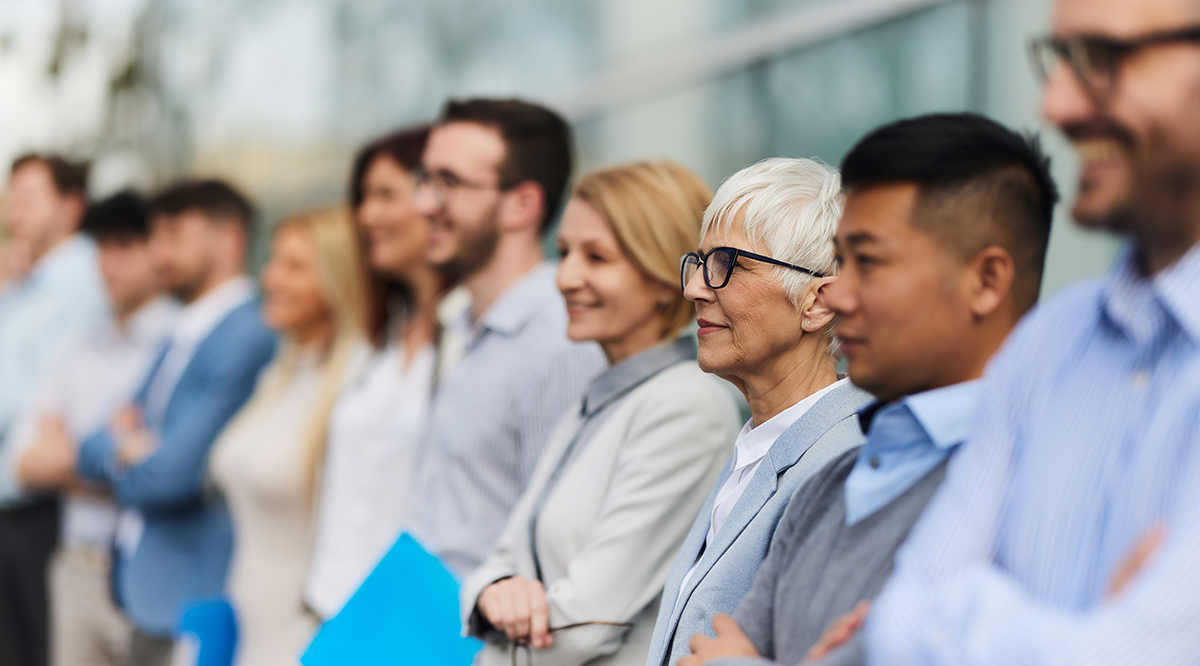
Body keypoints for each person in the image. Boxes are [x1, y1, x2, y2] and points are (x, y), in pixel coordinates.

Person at [862, 0, 1200, 664]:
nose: (1056, 105)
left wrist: (968, 609)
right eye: (1058, 60)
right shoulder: (1044, 346)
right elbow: (890, 634)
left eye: (1101, 60)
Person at [677, 113, 1058, 666]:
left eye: (870, 263)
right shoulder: (830, 486)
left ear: (986, 281)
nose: (839, 295)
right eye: (844, 262)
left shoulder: (1043, 482)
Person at [460, 162, 742, 666]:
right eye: (564, 253)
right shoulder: (602, 395)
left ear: (663, 277)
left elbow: (588, 625)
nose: (566, 278)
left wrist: (489, 643)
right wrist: (496, 591)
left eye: (597, 257)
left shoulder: (685, 407)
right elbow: (498, 561)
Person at [646, 158, 872, 666]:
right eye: (700, 262)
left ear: (818, 303)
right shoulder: (761, 442)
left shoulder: (848, 462)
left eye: (728, 264)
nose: (695, 288)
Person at [77, 180, 277, 666]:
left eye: (173, 235)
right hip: (143, 593)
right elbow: (89, 447)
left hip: (190, 600)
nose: (158, 251)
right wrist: (126, 445)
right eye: (156, 236)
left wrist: (126, 447)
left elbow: (170, 476)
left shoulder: (246, 336)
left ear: (229, 241)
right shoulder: (181, 332)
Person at [407, 98, 606, 578]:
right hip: (426, 631)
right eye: (425, 179)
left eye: (448, 182)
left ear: (522, 204)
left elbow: (554, 548)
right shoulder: (468, 324)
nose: (423, 204)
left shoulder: (561, 340)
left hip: (482, 645)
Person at [6, 192, 178, 666]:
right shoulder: (79, 351)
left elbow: (167, 471)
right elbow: (23, 461)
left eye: (126, 246)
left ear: (157, 250)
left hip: (149, 579)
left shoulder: (179, 345)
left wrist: (70, 454)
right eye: (103, 247)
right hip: (73, 569)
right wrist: (111, 451)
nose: (111, 263)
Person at [303, 126, 453, 622]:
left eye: (385, 195)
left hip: (410, 626)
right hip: (332, 614)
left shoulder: (471, 341)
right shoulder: (379, 343)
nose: (366, 215)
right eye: (364, 198)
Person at [211, 206, 371, 666]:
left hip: (304, 637)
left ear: (339, 279)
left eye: (295, 267)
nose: (270, 278)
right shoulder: (277, 378)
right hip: (246, 624)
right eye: (273, 261)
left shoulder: (354, 391)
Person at [0, 154, 108, 666]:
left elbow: (37, 399)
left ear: (71, 206)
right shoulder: (22, 281)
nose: (12, 207)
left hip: (44, 506)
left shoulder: (86, 283)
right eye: (10, 194)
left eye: (28, 196)